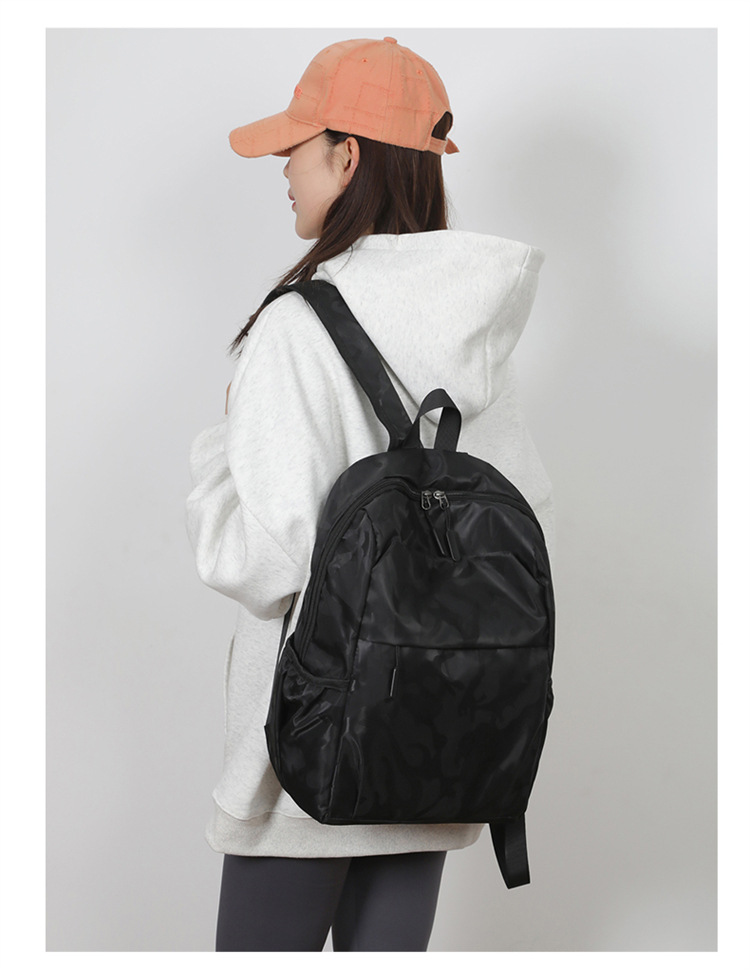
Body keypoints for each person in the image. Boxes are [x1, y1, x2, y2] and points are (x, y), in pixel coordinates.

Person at [186, 35, 555, 952]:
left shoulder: (297, 325)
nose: (282, 167)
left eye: (297, 145)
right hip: (435, 746)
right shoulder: (476, 326)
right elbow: (519, 512)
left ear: (347, 155)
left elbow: (260, 564)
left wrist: (221, 446)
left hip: (305, 762)